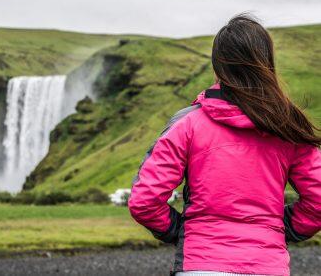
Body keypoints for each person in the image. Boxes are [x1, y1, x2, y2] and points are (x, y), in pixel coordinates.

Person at [128, 14, 321, 276]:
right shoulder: (287, 127)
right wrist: (281, 227)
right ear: (267, 62)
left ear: (218, 66)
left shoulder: (187, 123)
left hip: (201, 262)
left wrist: (180, 229)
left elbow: (145, 201)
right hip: (267, 264)